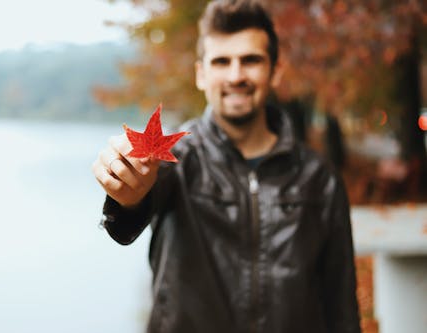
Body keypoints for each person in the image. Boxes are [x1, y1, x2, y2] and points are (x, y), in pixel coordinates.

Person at [92, 0, 361, 332]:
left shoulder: (319, 179)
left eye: (250, 60)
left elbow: (341, 306)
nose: (236, 76)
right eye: (221, 61)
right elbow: (136, 201)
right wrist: (127, 192)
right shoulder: (177, 162)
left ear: (275, 71)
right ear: (201, 75)